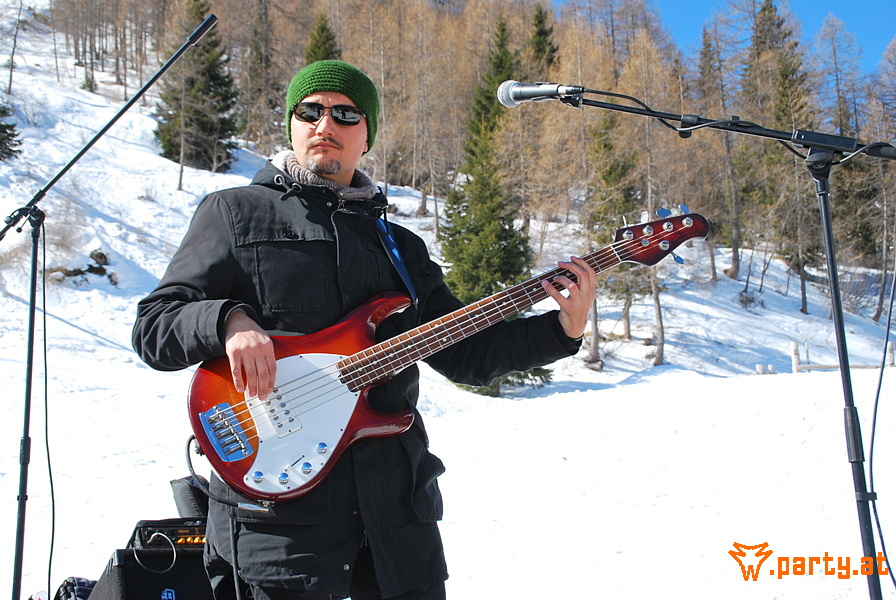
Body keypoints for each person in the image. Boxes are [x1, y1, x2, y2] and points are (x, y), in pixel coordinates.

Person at [132, 60, 596, 600]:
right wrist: (227, 321)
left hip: (397, 535)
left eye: (345, 113)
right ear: (292, 124)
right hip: (281, 536)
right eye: (309, 111)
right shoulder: (234, 214)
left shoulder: (400, 247)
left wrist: (564, 328)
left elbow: (468, 354)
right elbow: (155, 324)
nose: (324, 123)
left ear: (366, 133)